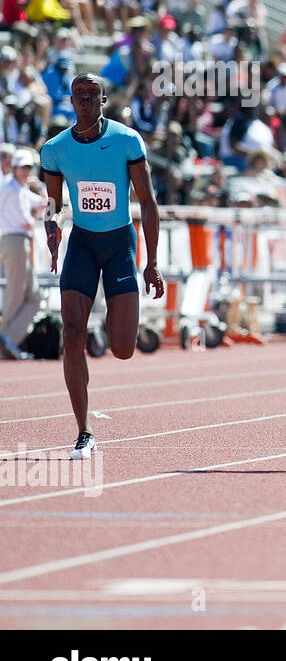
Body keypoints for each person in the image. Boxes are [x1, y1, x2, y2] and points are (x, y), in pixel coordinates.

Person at [40, 74, 164, 459]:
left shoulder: (127, 141)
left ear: (104, 100)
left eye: (93, 95)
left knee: (124, 348)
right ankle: (84, 432)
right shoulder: (55, 149)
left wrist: (152, 263)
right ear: (71, 101)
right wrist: (53, 229)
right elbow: (53, 203)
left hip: (120, 245)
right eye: (80, 95)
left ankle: (114, 316)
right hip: (83, 244)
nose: (87, 101)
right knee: (71, 332)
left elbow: (147, 202)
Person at [0, 149, 45, 358]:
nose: (26, 171)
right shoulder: (11, 188)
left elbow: (44, 203)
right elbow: (27, 221)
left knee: (33, 296)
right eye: (23, 167)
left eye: (28, 167)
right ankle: (4, 336)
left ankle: (9, 338)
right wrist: (38, 214)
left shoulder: (18, 188)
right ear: (15, 168)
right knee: (16, 294)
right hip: (15, 241)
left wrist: (42, 190)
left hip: (17, 242)